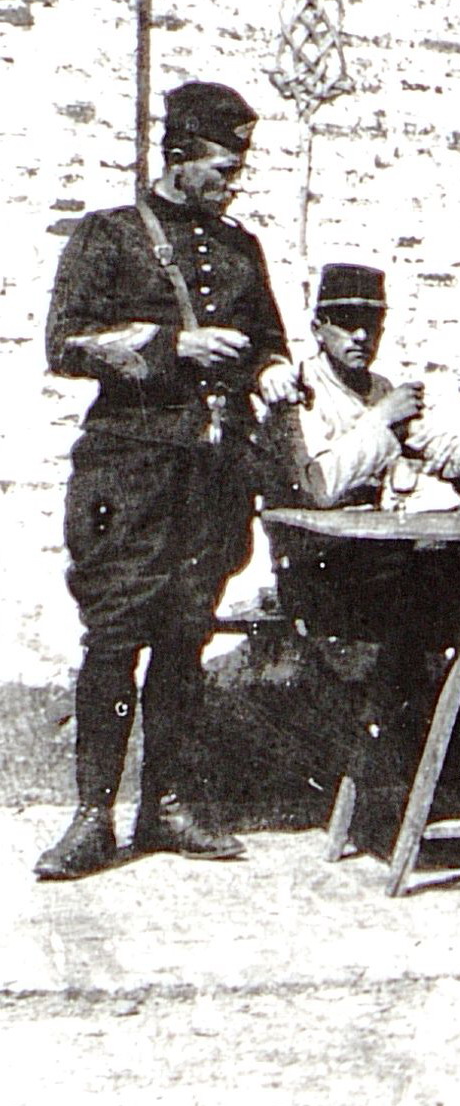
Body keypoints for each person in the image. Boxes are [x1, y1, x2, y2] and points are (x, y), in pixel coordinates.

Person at [36, 80, 301, 880]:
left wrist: (274, 373)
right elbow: (65, 344)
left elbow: (271, 342)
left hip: (212, 472)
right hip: (128, 469)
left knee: (187, 632)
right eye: (225, 164)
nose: (236, 180)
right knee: (116, 635)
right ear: (178, 156)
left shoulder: (241, 248)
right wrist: (169, 347)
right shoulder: (108, 236)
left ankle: (169, 804)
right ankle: (92, 816)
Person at [264, 263, 460, 837]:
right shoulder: (294, 393)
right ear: (319, 327)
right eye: (346, 323)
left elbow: (439, 451)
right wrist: (378, 422)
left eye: (371, 324)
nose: (361, 337)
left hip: (381, 563)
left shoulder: (383, 389)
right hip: (323, 572)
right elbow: (317, 486)